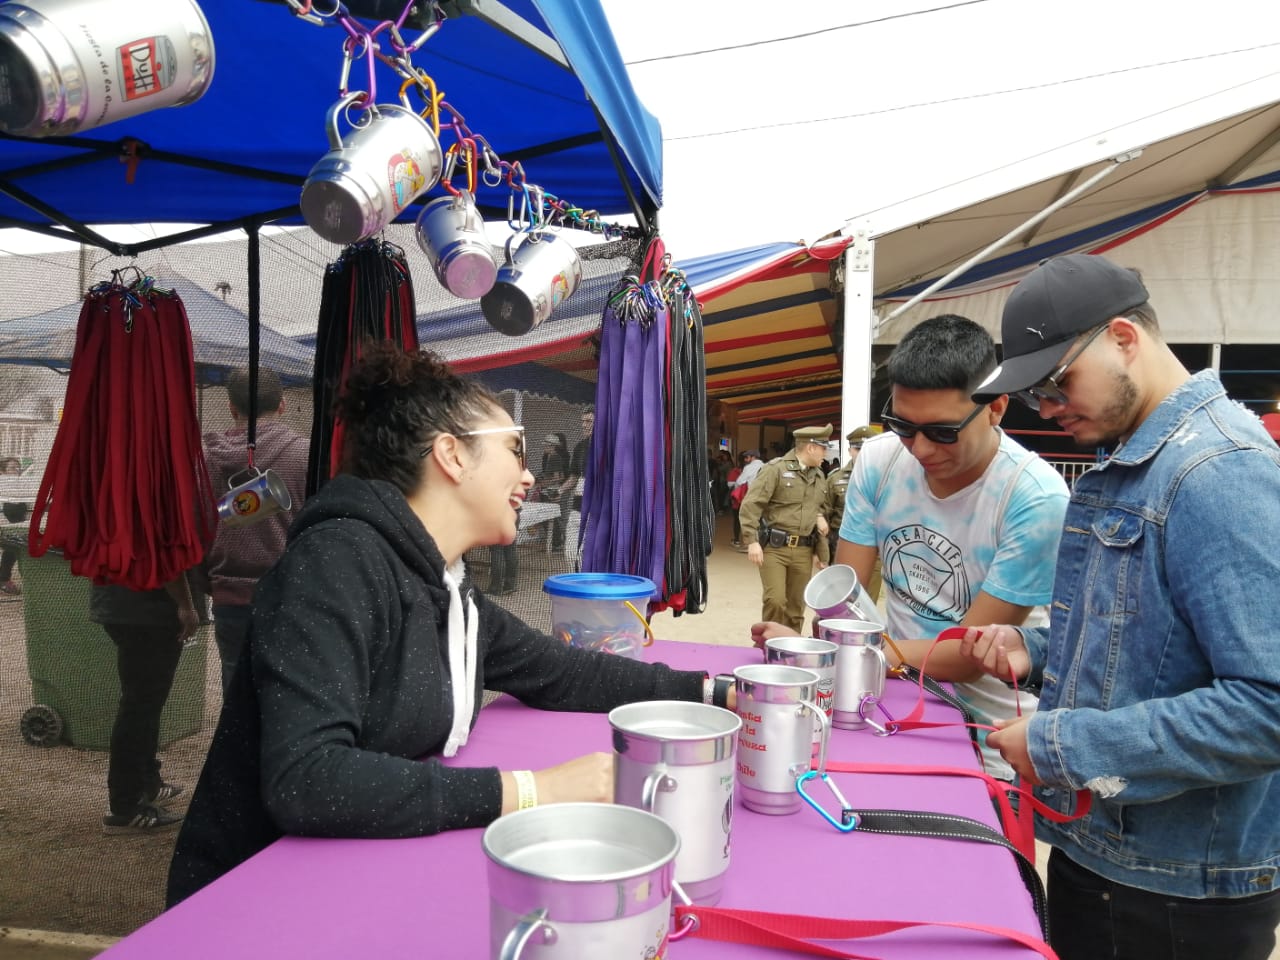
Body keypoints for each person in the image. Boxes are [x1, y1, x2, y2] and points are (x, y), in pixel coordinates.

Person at [167, 344, 730, 907]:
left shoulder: (441, 582)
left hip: (353, 882)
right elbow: (310, 780)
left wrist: (717, 692)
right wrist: (535, 790)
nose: (530, 474)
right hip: (254, 904)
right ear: (452, 456)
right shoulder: (336, 563)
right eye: (516, 449)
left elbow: (558, 670)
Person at [959, 254, 1280, 960]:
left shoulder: (1218, 472)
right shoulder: (1143, 458)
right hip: (1111, 861)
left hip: (1173, 900)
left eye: (1056, 381)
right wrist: (1035, 652)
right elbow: (1150, 647)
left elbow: (1267, 706)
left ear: (1124, 337)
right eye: (1035, 394)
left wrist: (1058, 745)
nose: (1047, 407)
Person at [754, 315, 1070, 781]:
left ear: (997, 407)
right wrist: (818, 649)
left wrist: (841, 654)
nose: (919, 448)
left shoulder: (1034, 498)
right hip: (887, 705)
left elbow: (966, 657)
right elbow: (846, 596)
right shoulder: (881, 460)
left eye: (942, 431)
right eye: (902, 425)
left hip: (991, 739)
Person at [202, 367, 307, 694]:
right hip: (289, 596)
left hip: (229, 596)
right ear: (283, 405)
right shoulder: (305, 454)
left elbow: (195, 526)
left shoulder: (205, 459)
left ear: (232, 407)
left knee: (237, 692)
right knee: (288, 692)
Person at [91, 570, 201, 833]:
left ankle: (147, 781)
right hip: (150, 610)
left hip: (119, 603)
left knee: (145, 704)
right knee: (139, 707)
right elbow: (166, 558)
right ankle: (125, 808)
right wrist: (186, 605)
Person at [737, 425, 832, 634]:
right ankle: (768, 645)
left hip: (804, 550)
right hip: (775, 548)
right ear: (811, 448)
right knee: (776, 601)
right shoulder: (775, 469)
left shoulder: (819, 476)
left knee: (796, 607)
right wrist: (752, 541)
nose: (827, 454)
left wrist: (821, 552)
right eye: (824, 448)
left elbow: (818, 510)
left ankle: (791, 650)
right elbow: (751, 505)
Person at [823, 426, 881, 601]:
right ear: (850, 450)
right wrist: (823, 553)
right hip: (842, 549)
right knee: (842, 602)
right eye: (857, 449)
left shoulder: (887, 478)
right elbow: (824, 514)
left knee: (869, 603)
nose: (862, 453)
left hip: (875, 551)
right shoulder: (835, 479)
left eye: (866, 449)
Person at [728, 449, 762, 548]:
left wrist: (736, 490)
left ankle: (746, 543)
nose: (746, 460)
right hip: (762, 497)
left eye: (747, 457)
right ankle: (758, 542)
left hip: (749, 496)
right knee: (758, 520)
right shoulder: (766, 466)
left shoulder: (749, 467)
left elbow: (739, 481)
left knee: (744, 519)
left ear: (753, 457)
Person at [0, 456, 22, 595]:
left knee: (13, 547)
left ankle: (4, 579)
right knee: (12, 546)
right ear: (2, 472)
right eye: (12, 468)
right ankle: (3, 579)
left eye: (18, 468)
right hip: (4, 527)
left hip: (15, 529)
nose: (16, 471)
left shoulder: (22, 487)